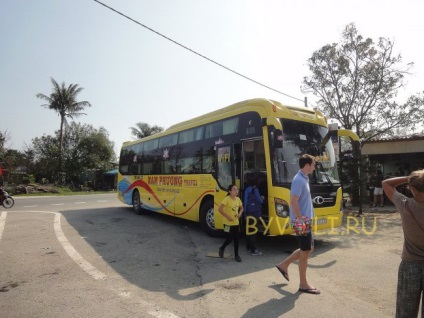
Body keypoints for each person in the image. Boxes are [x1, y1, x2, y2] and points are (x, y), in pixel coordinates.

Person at [275, 154, 320, 295]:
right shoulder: (299, 180)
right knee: (305, 252)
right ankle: (303, 284)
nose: (314, 166)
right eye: (313, 164)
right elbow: (293, 201)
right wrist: (301, 218)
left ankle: (284, 265)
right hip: (302, 222)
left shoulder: (304, 178)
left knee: (308, 248)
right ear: (307, 165)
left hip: (306, 221)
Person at [382, 171, 424, 317]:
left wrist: (409, 179)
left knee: (405, 311)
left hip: (410, 266)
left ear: (412, 188)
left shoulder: (405, 205)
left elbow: (386, 184)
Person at [218, 184, 244, 262]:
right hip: (227, 223)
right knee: (229, 238)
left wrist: (239, 214)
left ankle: (237, 255)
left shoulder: (238, 199)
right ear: (230, 191)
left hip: (235, 223)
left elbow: (242, 208)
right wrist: (227, 216)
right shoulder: (227, 199)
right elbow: (220, 209)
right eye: (234, 189)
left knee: (236, 239)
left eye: (237, 189)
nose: (237, 191)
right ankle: (222, 248)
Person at [244, 174, 265, 256]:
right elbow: (260, 201)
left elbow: (245, 202)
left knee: (249, 229)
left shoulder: (247, 190)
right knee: (254, 231)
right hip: (255, 213)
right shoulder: (255, 189)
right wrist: (262, 198)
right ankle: (253, 250)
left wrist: (245, 213)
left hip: (249, 212)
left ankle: (248, 246)